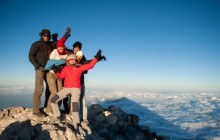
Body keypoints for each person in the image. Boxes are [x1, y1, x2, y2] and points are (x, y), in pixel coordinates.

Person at [50, 50, 104, 129]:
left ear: (75, 61)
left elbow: (90, 66)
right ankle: (56, 116)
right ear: (68, 61)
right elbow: (61, 77)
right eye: (70, 60)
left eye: (73, 60)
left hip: (76, 89)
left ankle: (76, 123)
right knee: (53, 100)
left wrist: (96, 58)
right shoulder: (65, 68)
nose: (72, 61)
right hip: (66, 88)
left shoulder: (79, 68)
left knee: (74, 105)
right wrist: (56, 71)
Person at [44, 28, 71, 116]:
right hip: (51, 74)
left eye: (62, 47)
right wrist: (62, 62)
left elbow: (72, 60)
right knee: (54, 92)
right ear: (57, 47)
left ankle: (56, 109)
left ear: (64, 47)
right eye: (59, 47)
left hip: (60, 76)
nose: (60, 48)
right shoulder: (54, 51)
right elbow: (50, 62)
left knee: (61, 93)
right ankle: (48, 109)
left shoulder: (66, 54)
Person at [29, 29, 52, 117]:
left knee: (50, 89)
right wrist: (38, 66)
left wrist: (57, 38)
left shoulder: (50, 45)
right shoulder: (36, 44)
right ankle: (36, 111)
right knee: (39, 89)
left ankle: (46, 106)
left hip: (49, 69)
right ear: (41, 35)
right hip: (39, 69)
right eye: (44, 35)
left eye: (48, 36)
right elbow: (31, 56)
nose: (46, 37)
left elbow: (59, 45)